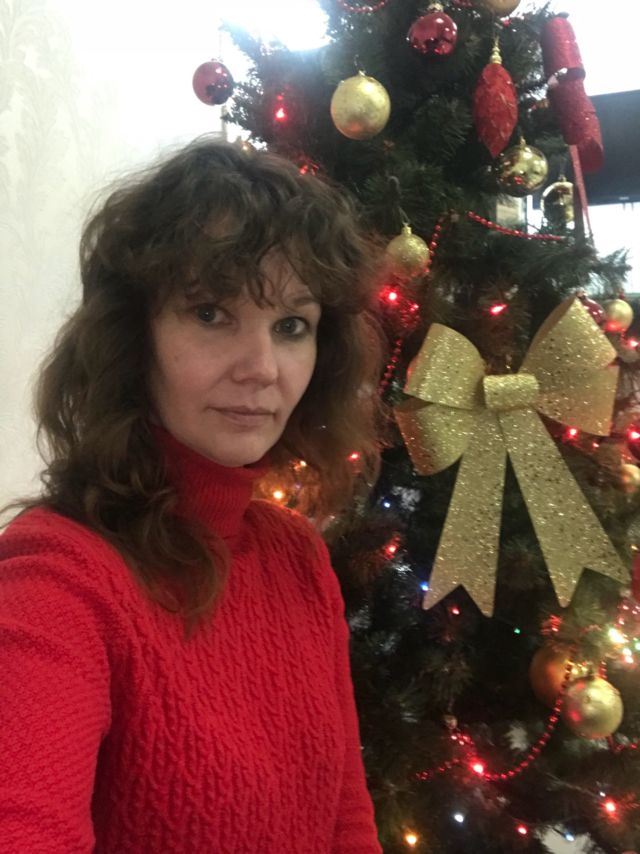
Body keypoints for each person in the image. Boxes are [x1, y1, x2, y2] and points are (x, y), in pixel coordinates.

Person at [0, 137, 389, 853]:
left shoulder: (298, 558)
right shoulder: (56, 577)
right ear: (132, 337)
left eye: (292, 326)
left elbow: (345, 822)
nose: (262, 368)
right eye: (211, 313)